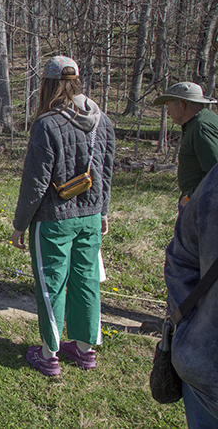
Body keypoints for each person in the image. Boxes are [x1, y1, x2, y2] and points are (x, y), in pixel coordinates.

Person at [11, 55, 115, 377]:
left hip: (54, 218)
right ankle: (85, 350)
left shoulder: (47, 124)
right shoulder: (103, 120)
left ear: (48, 84)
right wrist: (104, 211)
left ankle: (48, 354)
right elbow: (107, 172)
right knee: (86, 282)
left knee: (51, 284)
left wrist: (20, 224)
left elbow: (35, 182)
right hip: (91, 214)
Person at [164, 164, 218, 428]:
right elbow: (181, 257)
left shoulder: (202, 125)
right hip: (206, 372)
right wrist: (187, 329)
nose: (171, 118)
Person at [152, 82, 218, 209]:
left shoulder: (201, 127)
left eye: (168, 106)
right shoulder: (202, 122)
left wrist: (189, 198)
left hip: (205, 207)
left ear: (182, 104)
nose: (168, 113)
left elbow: (215, 172)